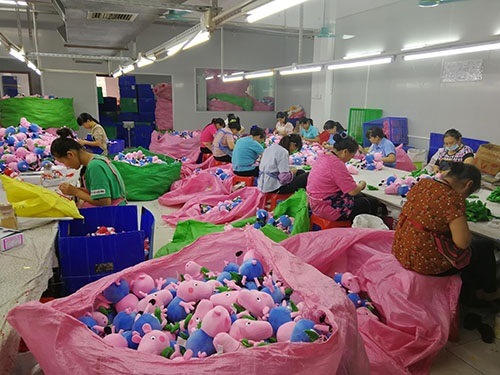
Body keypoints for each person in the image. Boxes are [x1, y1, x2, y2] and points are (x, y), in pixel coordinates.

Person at [392, 162, 499, 305]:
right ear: (469, 184)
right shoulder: (452, 199)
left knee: (474, 247)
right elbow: (462, 243)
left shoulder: (423, 184)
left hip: (402, 250)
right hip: (423, 262)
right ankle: (487, 293)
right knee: (483, 246)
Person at [307, 132, 381, 221]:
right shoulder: (336, 164)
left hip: (315, 203)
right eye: (351, 156)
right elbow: (352, 191)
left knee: (360, 196)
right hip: (327, 208)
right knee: (372, 202)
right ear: (345, 152)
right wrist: (362, 184)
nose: (350, 159)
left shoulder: (323, 156)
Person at [50, 127, 126, 207]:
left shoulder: (95, 166)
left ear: (70, 155)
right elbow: (96, 192)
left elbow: (104, 203)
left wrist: (76, 192)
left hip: (114, 215)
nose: (66, 166)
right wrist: (73, 190)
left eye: (63, 162)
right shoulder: (97, 159)